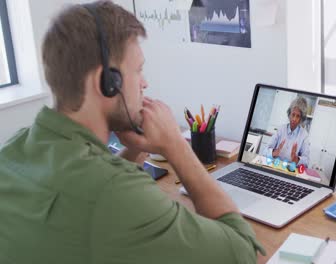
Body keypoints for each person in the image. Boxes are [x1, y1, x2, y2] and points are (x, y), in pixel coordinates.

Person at [0, 1, 263, 263]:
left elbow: (90, 189)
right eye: (138, 70)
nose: (145, 82)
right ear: (107, 82)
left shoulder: (13, 151)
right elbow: (244, 252)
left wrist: (137, 146)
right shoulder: (115, 194)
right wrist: (176, 146)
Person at [264, 96, 310, 167]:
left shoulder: (304, 135)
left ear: (301, 118)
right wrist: (274, 152)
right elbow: (264, 151)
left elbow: (306, 161)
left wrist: (296, 159)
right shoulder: (281, 129)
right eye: (293, 114)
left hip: (290, 171)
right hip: (275, 166)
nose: (294, 119)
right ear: (289, 114)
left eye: (298, 116)